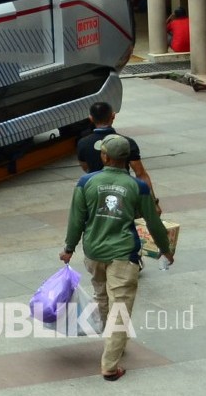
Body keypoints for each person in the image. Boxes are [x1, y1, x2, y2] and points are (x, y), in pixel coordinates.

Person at [60, 134, 173, 382]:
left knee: (103, 295)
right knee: (119, 306)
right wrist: (166, 249)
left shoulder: (85, 182)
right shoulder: (138, 186)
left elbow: (76, 219)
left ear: (105, 156)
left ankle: (114, 341)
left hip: (94, 252)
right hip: (123, 253)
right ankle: (110, 365)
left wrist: (69, 248)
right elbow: (153, 222)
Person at [76, 102, 162, 215]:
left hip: (95, 195)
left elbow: (86, 168)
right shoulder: (127, 143)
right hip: (123, 192)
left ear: (91, 118)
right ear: (113, 116)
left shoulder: (83, 143)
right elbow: (140, 174)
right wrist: (153, 203)